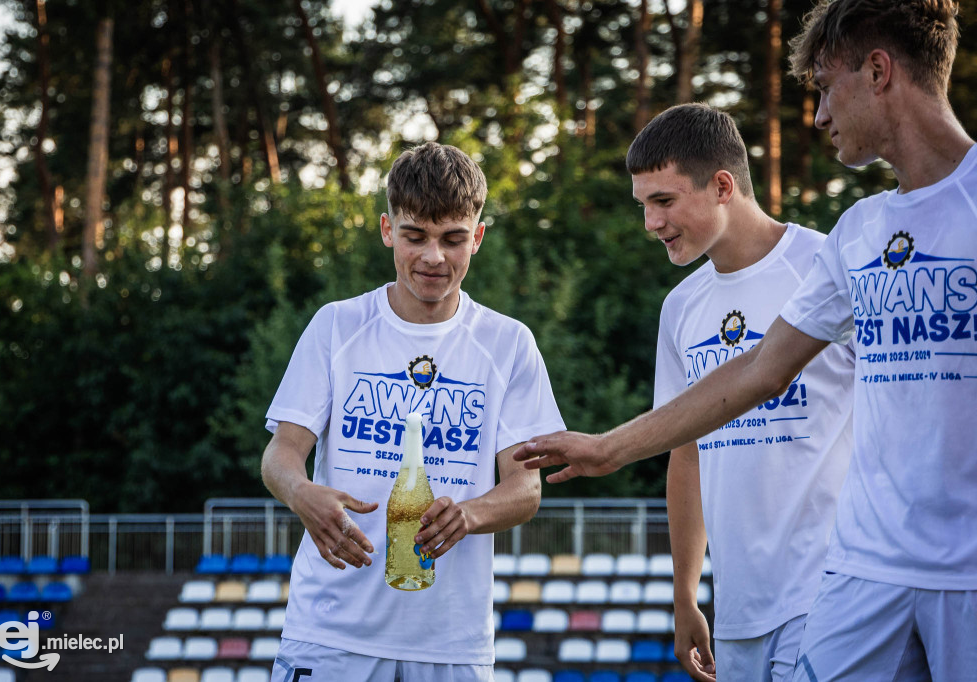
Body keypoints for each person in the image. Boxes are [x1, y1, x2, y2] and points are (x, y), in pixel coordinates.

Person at [516, 1, 977, 678]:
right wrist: (608, 448)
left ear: (878, 72)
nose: (818, 115)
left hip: (935, 574)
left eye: (825, 87)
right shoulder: (857, 234)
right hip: (863, 575)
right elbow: (759, 371)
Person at [261, 141, 565, 682]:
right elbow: (282, 453)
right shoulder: (336, 326)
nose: (433, 257)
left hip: (451, 640)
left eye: (452, 239)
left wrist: (469, 515)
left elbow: (526, 489)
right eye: (415, 236)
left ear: (477, 236)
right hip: (330, 630)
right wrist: (300, 492)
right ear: (386, 230)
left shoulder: (509, 343)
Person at [625, 103, 854, 681]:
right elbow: (685, 451)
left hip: (833, 592)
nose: (651, 224)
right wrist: (684, 593)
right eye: (644, 205)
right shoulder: (680, 307)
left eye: (664, 201)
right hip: (737, 608)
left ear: (723, 185)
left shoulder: (829, 266)